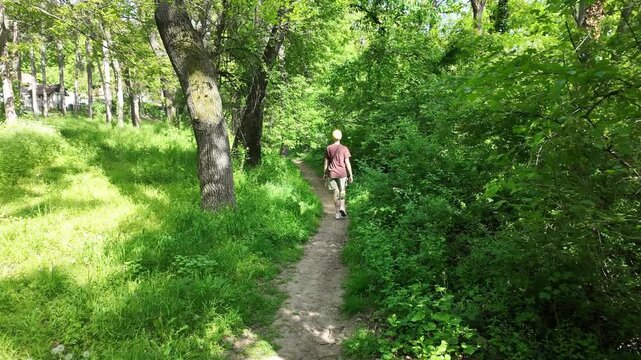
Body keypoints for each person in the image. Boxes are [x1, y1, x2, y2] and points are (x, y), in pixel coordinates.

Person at [323, 129, 353, 220]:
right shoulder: (344, 148)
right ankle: (342, 207)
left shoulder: (329, 148)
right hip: (342, 173)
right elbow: (347, 163)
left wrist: (325, 172)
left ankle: (336, 213)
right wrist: (350, 174)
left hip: (332, 173)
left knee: (336, 191)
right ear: (341, 137)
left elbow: (326, 162)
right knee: (342, 190)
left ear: (332, 137)